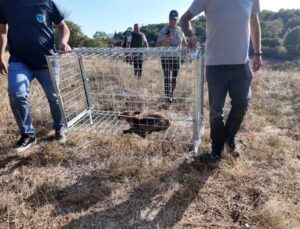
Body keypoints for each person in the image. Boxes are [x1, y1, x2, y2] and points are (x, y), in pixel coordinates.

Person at [179, 0, 263, 163]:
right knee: (216, 111)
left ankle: (228, 138)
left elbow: (254, 22)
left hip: (241, 63)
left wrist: (258, 53)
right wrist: (191, 35)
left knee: (242, 104)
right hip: (215, 65)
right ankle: (217, 149)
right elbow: (184, 19)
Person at [0, 0, 72, 153]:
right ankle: (28, 134)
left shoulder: (47, 2)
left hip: (47, 61)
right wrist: (0, 56)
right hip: (19, 60)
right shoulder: (5, 3)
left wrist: (63, 42)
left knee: (54, 97)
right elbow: (2, 31)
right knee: (16, 94)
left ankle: (60, 128)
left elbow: (63, 27)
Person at [157, 10, 187, 103]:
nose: (173, 21)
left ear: (177, 20)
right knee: (167, 77)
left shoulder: (180, 30)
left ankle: (171, 94)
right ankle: (167, 97)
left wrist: (185, 52)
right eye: (171, 19)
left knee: (174, 78)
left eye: (174, 19)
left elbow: (184, 43)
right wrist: (164, 40)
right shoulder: (164, 30)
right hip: (166, 57)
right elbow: (158, 44)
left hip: (176, 58)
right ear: (169, 19)